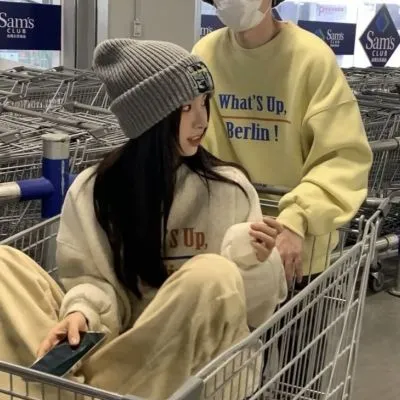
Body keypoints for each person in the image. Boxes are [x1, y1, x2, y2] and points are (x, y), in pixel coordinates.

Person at [0, 39, 288, 400]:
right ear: (149, 117)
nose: (202, 120)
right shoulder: (95, 191)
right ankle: (76, 389)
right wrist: (81, 314)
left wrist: (254, 264)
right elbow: (95, 283)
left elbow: (253, 314)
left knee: (213, 276)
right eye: (186, 107)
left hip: (199, 371)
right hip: (118, 357)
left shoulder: (230, 189)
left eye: (205, 103)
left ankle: (61, 392)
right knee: (4, 265)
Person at [192, 0, 373, 397]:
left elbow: (342, 156)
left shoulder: (310, 59)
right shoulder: (206, 54)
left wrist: (297, 218)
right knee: (231, 378)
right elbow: (199, 147)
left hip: (300, 256)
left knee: (297, 379)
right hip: (234, 249)